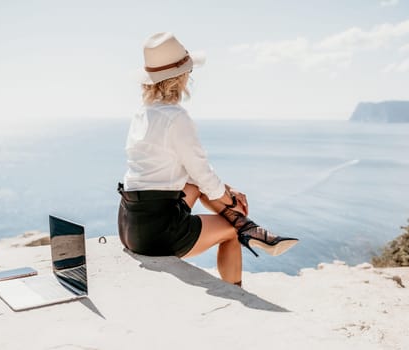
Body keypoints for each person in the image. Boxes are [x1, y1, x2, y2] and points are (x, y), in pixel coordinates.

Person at [118, 32, 298, 286]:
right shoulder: (176, 117)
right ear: (180, 77)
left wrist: (224, 190)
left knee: (198, 188)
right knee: (231, 232)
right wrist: (231, 198)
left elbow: (195, 178)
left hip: (129, 225)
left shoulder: (142, 114)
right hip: (158, 235)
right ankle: (238, 280)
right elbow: (202, 174)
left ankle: (247, 227)